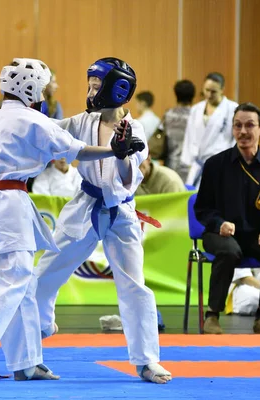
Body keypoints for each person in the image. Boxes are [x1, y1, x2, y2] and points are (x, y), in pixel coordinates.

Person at [0, 58, 132, 387]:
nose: (45, 95)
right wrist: (114, 150)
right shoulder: (30, 119)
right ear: (29, 88)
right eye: (43, 89)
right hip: (6, 202)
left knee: (24, 284)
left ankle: (26, 362)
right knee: (11, 277)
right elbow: (79, 151)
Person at [34, 57, 172, 384]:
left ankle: (146, 361)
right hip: (85, 203)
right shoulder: (83, 120)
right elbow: (50, 132)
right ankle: (41, 322)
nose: (91, 91)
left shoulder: (134, 130)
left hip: (121, 212)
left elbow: (128, 177)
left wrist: (123, 155)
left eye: (97, 86)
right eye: (90, 85)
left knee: (134, 285)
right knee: (46, 270)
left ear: (116, 90)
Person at [194, 102, 260, 335]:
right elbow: (202, 209)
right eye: (238, 126)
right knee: (229, 251)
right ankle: (212, 315)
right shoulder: (215, 165)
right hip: (220, 235)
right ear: (233, 129)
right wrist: (218, 223)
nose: (243, 131)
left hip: (257, 236)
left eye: (249, 125)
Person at [181, 72, 238, 188]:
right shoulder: (196, 109)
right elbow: (189, 137)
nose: (209, 94)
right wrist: (188, 162)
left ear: (222, 89)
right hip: (198, 165)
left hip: (221, 166)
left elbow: (236, 140)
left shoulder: (233, 109)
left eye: (214, 92)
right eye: (207, 90)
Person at [157, 80, 196, 182]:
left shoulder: (168, 115)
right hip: (190, 166)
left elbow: (160, 136)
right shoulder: (196, 116)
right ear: (193, 95)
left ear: (176, 94)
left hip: (171, 165)